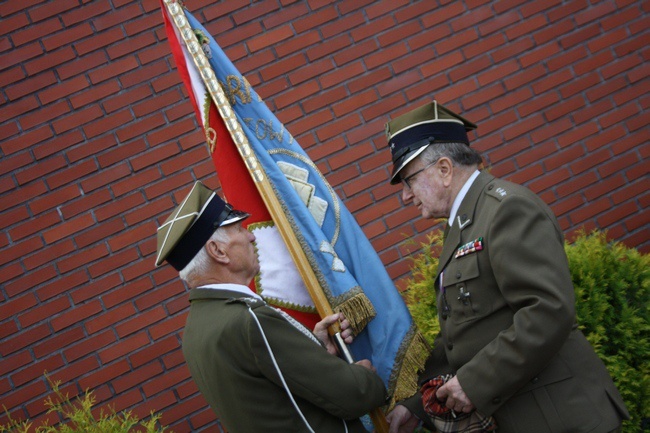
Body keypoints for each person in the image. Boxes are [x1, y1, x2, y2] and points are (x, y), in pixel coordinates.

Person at [383, 101, 629, 433]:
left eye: (408, 180)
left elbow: (548, 310)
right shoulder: (467, 222)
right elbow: (463, 331)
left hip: (561, 417)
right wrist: (417, 406)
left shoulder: (506, 209)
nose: (405, 196)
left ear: (444, 169)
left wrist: (474, 382)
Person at [155, 181, 387, 433]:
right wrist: (365, 378)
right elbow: (352, 395)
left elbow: (271, 396)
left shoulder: (196, 329)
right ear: (218, 251)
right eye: (238, 228)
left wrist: (315, 347)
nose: (251, 235)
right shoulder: (247, 319)